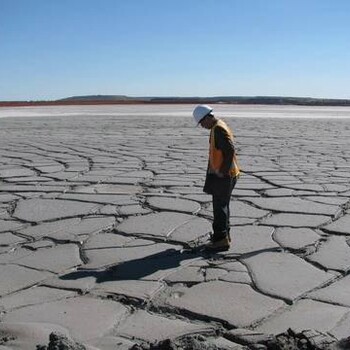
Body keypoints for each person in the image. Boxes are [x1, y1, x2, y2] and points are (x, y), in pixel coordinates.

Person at [193, 105, 240, 251]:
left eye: (201, 122)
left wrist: (222, 171)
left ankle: (220, 240)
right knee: (223, 206)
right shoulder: (218, 126)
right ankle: (224, 236)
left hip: (225, 176)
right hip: (227, 174)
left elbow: (230, 149)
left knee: (219, 208)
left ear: (207, 117)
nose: (202, 126)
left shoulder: (218, 129)